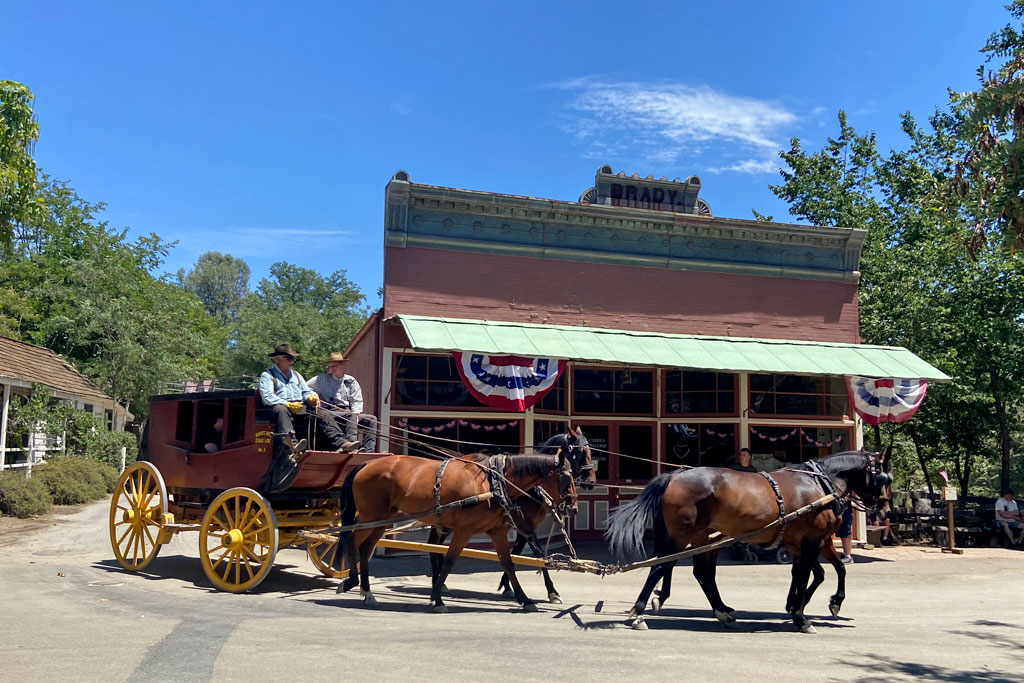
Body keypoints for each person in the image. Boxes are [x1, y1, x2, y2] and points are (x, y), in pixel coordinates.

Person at [258, 343, 353, 457]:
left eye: (292, 358)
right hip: (279, 408)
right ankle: (293, 445)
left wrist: (310, 397)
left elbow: (305, 392)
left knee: (322, 412)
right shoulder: (267, 375)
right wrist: (287, 404)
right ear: (278, 359)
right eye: (288, 358)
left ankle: (341, 443)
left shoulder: (297, 375)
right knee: (281, 410)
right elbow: (268, 397)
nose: (291, 361)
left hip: (299, 407)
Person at [308, 351, 379, 453]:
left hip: (347, 412)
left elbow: (356, 400)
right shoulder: (320, 379)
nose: (332, 368)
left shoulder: (351, 381)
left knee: (372, 420)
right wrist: (313, 394)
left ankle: (368, 451)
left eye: (335, 366)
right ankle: (351, 446)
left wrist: (357, 412)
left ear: (342, 365)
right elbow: (304, 388)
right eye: (331, 366)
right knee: (351, 415)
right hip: (330, 412)